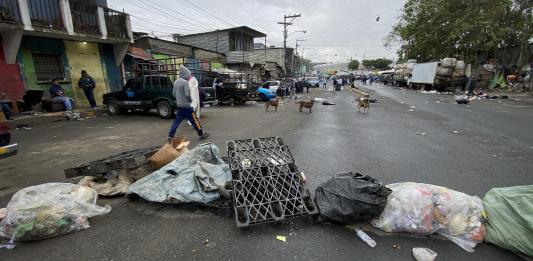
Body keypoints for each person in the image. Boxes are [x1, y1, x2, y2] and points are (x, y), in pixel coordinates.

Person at [168, 66, 209, 142]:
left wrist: (179, 98)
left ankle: (170, 136)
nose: (189, 76)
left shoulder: (176, 82)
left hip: (179, 106)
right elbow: (187, 95)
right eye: (188, 74)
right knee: (195, 120)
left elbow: (173, 94)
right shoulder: (185, 82)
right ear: (185, 74)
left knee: (176, 122)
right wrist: (190, 100)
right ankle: (201, 134)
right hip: (187, 107)